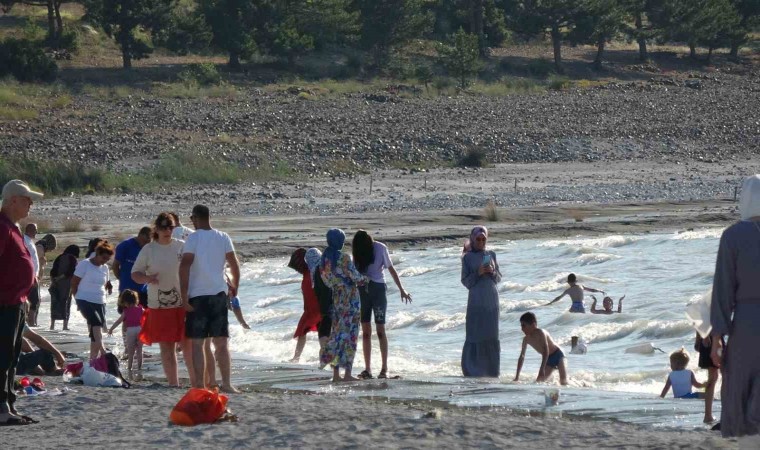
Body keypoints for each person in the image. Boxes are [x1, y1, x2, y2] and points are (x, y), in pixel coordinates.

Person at [709, 174, 760, 438]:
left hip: (747, 323)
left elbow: (723, 289)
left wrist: (717, 336)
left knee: (741, 384)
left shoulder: (733, 236)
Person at [180, 205, 240, 393]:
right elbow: (233, 263)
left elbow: (185, 266)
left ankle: (199, 384)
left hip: (198, 295)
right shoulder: (223, 237)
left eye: (192, 218)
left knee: (198, 342)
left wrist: (183, 295)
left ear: (196, 218)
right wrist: (235, 286)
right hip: (218, 294)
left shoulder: (193, 238)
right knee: (221, 342)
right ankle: (227, 383)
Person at [132, 212, 195, 387]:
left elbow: (195, 270)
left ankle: (196, 383)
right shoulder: (149, 249)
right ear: (157, 229)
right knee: (167, 347)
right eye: (163, 227)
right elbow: (135, 274)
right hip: (159, 305)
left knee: (188, 345)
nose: (167, 230)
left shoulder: (182, 246)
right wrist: (147, 278)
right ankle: (173, 384)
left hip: (183, 302)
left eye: (171, 227)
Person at [0, 179, 43, 426]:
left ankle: (8, 404)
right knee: (3, 357)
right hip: (3, 304)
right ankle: (2, 407)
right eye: (27, 200)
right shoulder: (2, 226)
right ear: (13, 200)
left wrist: (24, 297)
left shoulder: (12, 226)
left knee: (12, 357)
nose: (31, 204)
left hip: (15, 302)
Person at [352, 230, 412, 380]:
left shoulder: (380, 248)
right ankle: (367, 369)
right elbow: (354, 273)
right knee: (366, 331)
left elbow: (391, 269)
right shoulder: (358, 251)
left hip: (378, 289)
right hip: (362, 290)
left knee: (380, 329)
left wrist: (402, 289)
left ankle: (384, 369)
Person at [319, 228, 368, 382]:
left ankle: (335, 375)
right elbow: (356, 277)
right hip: (350, 300)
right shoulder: (344, 258)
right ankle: (347, 374)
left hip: (337, 299)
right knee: (350, 337)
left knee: (336, 336)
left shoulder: (324, 260)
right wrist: (366, 279)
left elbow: (327, 282)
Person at [461, 226, 501, 377]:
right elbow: (465, 282)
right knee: (475, 333)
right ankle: (472, 370)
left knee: (491, 335)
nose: (481, 242)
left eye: (484, 239)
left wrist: (492, 271)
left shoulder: (491, 254)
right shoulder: (467, 257)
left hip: (491, 300)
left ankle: (491, 371)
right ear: (473, 239)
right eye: (478, 239)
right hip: (476, 301)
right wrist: (478, 273)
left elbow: (498, 278)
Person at [72, 241, 114, 361]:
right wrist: (77, 301)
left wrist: (109, 286)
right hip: (83, 298)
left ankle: (93, 360)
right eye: (103, 257)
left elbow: (105, 282)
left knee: (96, 330)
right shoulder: (84, 264)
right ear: (97, 253)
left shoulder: (105, 268)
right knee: (96, 323)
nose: (105, 261)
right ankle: (103, 351)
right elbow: (74, 283)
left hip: (100, 300)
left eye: (108, 259)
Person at [514, 312, 568, 385]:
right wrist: (517, 376)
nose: (522, 329)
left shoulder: (541, 333)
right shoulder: (526, 339)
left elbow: (546, 351)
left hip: (558, 355)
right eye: (521, 326)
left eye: (524, 326)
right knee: (538, 382)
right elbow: (522, 357)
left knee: (563, 382)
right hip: (548, 359)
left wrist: (542, 368)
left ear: (533, 325)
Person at [287, 248, 321, 363]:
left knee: (303, 332)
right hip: (317, 309)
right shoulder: (317, 272)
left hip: (312, 310)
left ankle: (296, 357)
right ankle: (325, 358)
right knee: (322, 333)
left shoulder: (309, 274)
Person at [107, 290, 144, 376]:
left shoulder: (126, 311)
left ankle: (129, 368)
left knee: (130, 352)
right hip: (139, 329)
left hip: (130, 331)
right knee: (139, 350)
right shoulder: (141, 309)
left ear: (126, 302)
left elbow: (118, 321)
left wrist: (111, 329)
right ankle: (139, 368)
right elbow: (147, 320)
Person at [114, 227, 151, 308]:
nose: (147, 243)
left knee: (145, 317)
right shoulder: (125, 245)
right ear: (141, 235)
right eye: (146, 240)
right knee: (126, 316)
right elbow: (116, 265)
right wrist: (121, 278)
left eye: (149, 241)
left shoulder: (148, 248)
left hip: (143, 290)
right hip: (127, 290)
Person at [305, 248, 332, 351]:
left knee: (323, 334)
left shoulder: (315, 272)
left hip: (325, 309)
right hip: (334, 306)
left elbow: (321, 291)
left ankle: (325, 359)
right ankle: (329, 360)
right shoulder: (326, 268)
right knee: (329, 334)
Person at [49, 245, 80, 331]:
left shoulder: (59, 257)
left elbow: (53, 271)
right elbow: (70, 272)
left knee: (54, 303)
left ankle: (52, 325)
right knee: (66, 303)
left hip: (56, 284)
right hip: (67, 284)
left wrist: (54, 280)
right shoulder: (72, 259)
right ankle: (65, 326)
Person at [694, 333, 721, 423]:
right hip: (710, 339)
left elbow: (699, 319)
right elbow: (703, 319)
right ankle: (708, 415)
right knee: (713, 377)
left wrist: (698, 338)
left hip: (711, 338)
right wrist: (703, 337)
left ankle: (708, 415)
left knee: (714, 377)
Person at [23, 223, 41, 327]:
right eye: (35, 230)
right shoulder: (25, 241)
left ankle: (30, 322)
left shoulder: (29, 241)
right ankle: (31, 322)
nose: (36, 232)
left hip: (33, 275)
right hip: (30, 276)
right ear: (29, 230)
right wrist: (33, 275)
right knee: (34, 300)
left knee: (33, 300)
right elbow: (26, 259)